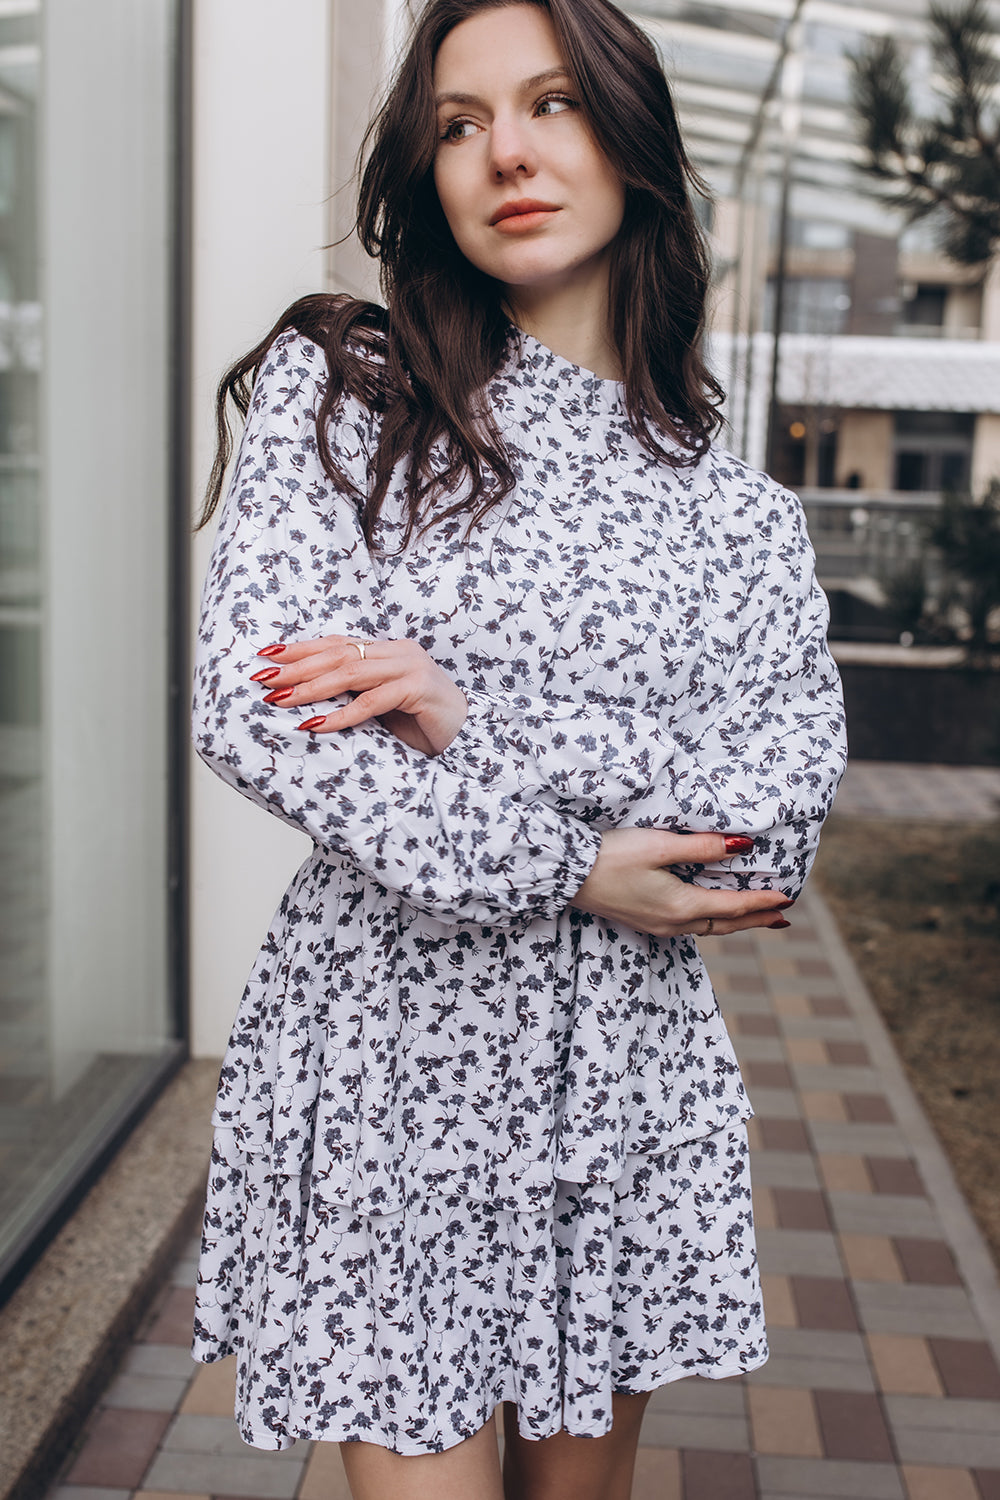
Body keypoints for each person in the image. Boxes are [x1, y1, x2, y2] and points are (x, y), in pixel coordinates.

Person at [189, 1, 847, 1497]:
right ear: (426, 174)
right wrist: (577, 864)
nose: (507, 154)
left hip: (619, 1073)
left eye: (552, 103)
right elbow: (260, 708)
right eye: (459, 123)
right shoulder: (351, 393)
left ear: (632, 137)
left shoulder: (738, 515)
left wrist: (471, 721)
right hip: (392, 1055)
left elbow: (765, 833)